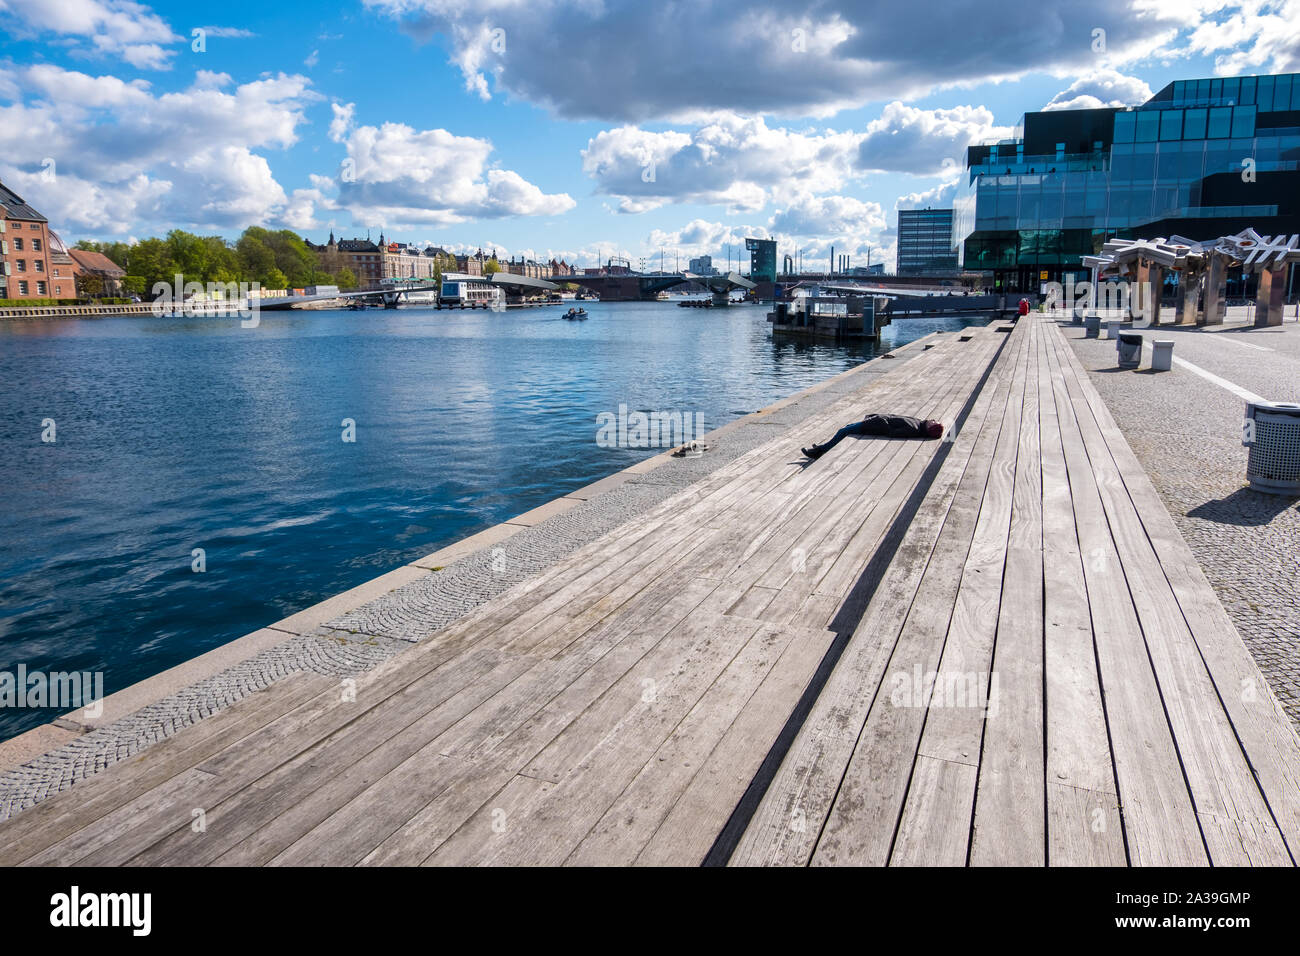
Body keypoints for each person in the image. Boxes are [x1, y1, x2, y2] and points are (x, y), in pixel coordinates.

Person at [801, 414, 943, 460]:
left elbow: (892, 432)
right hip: (875, 420)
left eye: (934, 423)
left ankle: (821, 451)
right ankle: (822, 448)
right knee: (846, 428)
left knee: (842, 431)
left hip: (874, 426)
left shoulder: (914, 428)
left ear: (930, 427)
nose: (933, 420)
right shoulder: (919, 423)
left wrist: (881, 420)